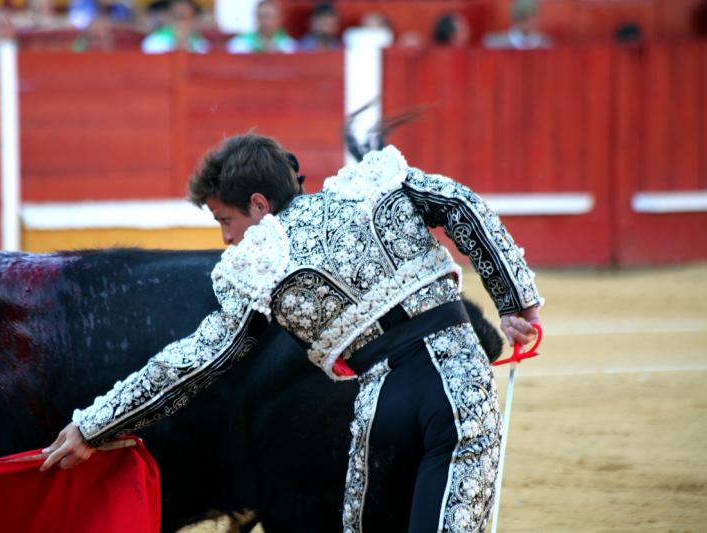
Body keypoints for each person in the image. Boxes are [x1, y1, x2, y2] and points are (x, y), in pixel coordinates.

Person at [41, 134, 543, 531]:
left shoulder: (260, 265)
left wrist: (95, 424)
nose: (226, 238)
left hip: (379, 409)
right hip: (454, 384)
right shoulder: (372, 187)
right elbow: (460, 204)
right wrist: (516, 299)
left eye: (226, 220)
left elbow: (194, 361)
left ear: (259, 205)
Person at [226, 0, 296, 53]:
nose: (266, 21)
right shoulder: (241, 43)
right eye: (262, 17)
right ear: (256, 18)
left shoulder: (289, 45)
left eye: (270, 17)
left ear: (279, 19)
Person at [141, 0, 210, 54]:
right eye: (177, 17)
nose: (181, 25)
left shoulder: (201, 44)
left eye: (186, 18)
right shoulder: (154, 41)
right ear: (168, 17)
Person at [483, 0, 552, 50]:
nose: (529, 22)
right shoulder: (494, 43)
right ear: (515, 19)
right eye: (523, 18)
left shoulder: (546, 44)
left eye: (532, 17)